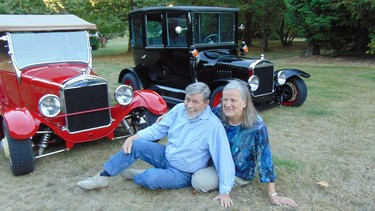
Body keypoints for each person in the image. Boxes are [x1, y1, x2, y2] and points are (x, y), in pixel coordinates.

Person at [77, 82, 236, 208]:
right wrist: (133, 137)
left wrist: (225, 191)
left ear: (206, 103)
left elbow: (224, 158)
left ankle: (140, 174)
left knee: (149, 179)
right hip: (166, 156)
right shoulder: (180, 109)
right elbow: (158, 129)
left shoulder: (213, 127)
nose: (189, 104)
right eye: (187, 99)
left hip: (184, 173)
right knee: (137, 144)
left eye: (195, 101)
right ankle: (103, 177)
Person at [191, 80, 298, 207]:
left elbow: (265, 157)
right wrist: (172, 116)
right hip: (216, 162)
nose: (227, 104)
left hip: (237, 173)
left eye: (233, 100)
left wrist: (272, 194)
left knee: (198, 181)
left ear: (244, 103)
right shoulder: (218, 113)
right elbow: (197, 114)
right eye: (225, 99)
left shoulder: (256, 126)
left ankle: (227, 182)